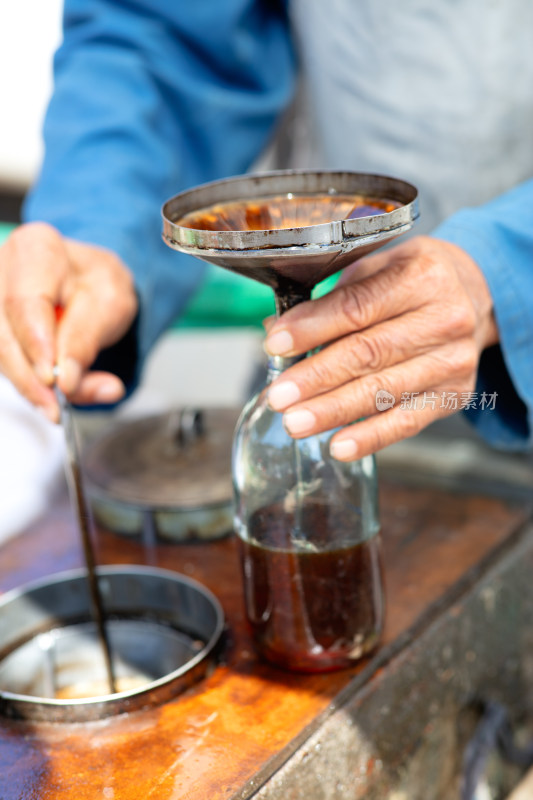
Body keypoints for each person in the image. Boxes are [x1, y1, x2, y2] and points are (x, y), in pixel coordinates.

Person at [1, 0, 532, 462]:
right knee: (292, 453)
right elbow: (167, 36)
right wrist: (97, 226)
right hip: (336, 369)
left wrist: (505, 270)